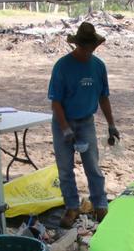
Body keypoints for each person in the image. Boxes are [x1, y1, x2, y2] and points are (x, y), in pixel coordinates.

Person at [48, 22, 119, 228]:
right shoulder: (62, 66)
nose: (89, 50)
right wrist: (65, 129)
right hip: (64, 120)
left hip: (86, 121)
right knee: (65, 169)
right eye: (85, 46)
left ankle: (100, 204)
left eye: (92, 46)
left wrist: (111, 125)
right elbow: (56, 102)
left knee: (93, 165)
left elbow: (103, 97)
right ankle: (71, 206)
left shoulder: (98, 66)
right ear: (77, 45)